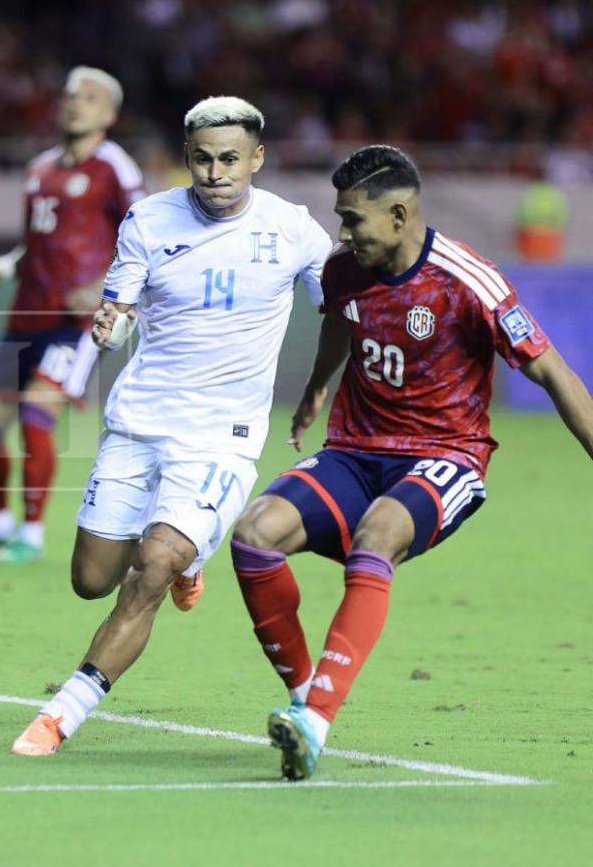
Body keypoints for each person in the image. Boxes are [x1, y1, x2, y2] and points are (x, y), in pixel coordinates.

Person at [229, 145, 593, 781]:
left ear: (399, 215)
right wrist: (317, 386)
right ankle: (304, 694)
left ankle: (315, 722)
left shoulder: (468, 280)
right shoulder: (344, 270)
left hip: (444, 456)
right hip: (355, 450)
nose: (343, 233)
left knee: (378, 535)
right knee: (254, 535)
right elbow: (340, 320)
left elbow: (552, 371)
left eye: (353, 219)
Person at [11, 96, 333, 756]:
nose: (216, 173)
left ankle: (58, 717)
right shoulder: (149, 219)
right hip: (139, 422)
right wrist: (110, 324)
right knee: (91, 579)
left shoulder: (294, 229)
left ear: (257, 158)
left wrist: (324, 384)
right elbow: (120, 309)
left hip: (221, 435)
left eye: (230, 160)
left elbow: (345, 307)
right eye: (203, 160)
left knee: (153, 565)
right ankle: (191, 553)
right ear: (187, 158)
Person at [0, 66, 145, 564]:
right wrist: (3, 266)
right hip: (27, 315)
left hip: (78, 325)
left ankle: (30, 534)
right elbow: (36, 247)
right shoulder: (40, 170)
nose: (75, 103)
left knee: (36, 413)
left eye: (89, 97)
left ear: (109, 114)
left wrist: (103, 289)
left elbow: (146, 237)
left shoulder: (115, 168)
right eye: (71, 95)